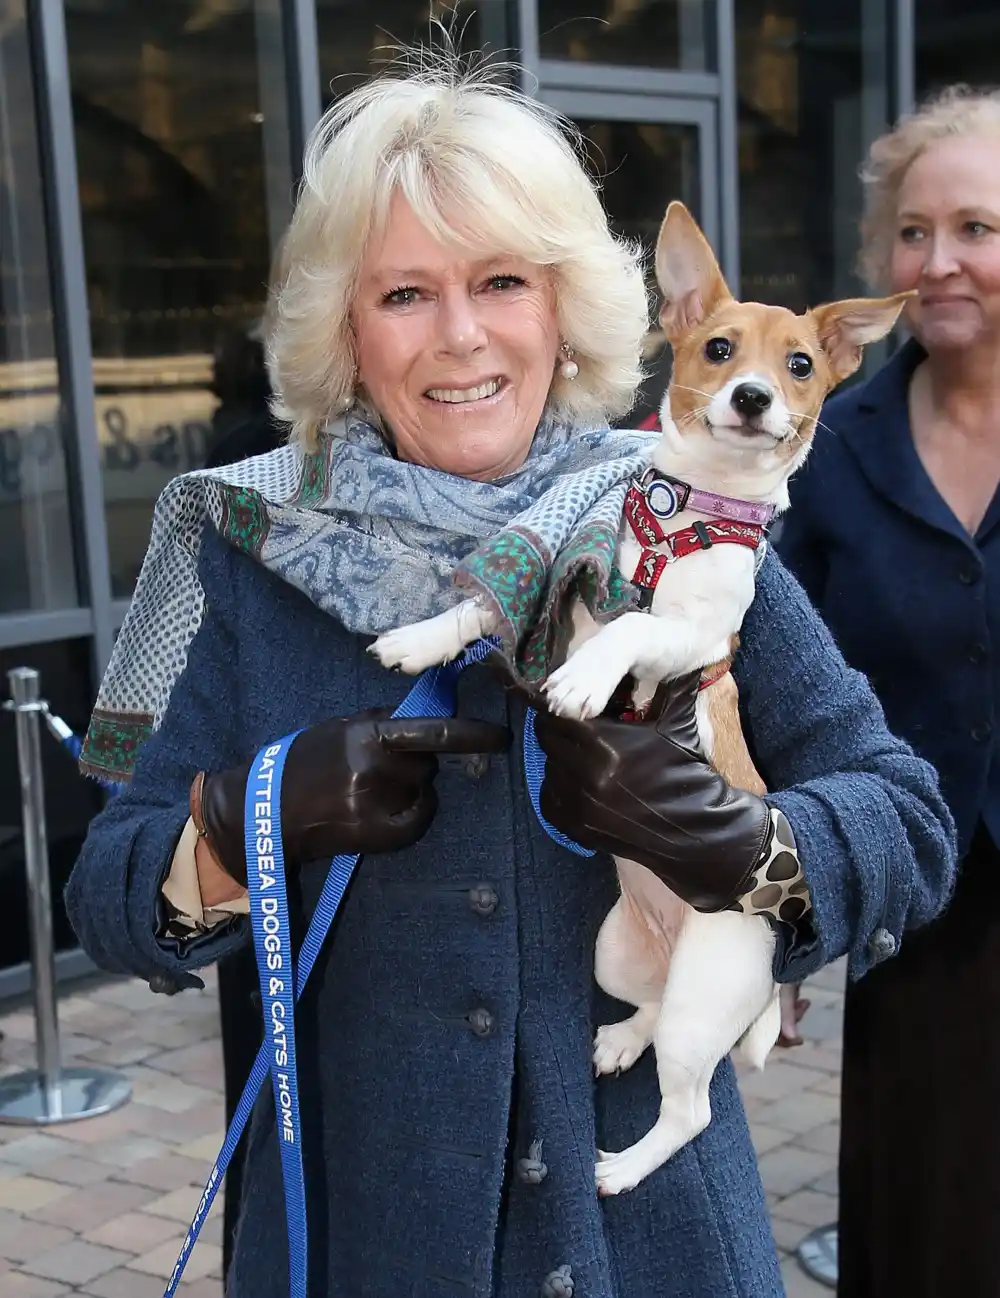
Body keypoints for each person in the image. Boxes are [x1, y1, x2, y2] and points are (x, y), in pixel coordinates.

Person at [66, 52, 956, 1298]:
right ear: (346, 330)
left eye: (500, 282)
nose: (462, 333)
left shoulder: (680, 518)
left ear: (563, 308)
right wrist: (248, 819)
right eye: (404, 294)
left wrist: (746, 845)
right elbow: (107, 895)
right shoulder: (251, 558)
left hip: (646, 1242)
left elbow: (909, 823)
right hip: (359, 1233)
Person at [775, 85, 1000, 1298]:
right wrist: (785, 921)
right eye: (914, 232)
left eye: (977, 227)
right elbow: (782, 691)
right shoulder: (831, 442)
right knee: (923, 1229)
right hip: (917, 908)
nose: (941, 260)